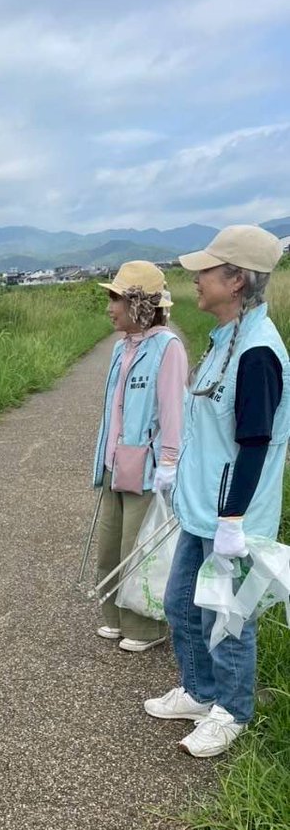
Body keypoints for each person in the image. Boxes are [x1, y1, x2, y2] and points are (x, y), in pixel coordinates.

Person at [144, 225, 289, 757]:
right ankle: (200, 692)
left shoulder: (257, 353)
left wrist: (232, 521)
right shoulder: (225, 338)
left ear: (236, 280)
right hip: (202, 506)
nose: (195, 279)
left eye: (206, 270)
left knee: (226, 618)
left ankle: (232, 711)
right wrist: (175, 472)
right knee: (181, 605)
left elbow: (254, 444)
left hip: (232, 516)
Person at [92, 261, 188, 651]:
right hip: (115, 464)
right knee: (110, 546)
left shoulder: (168, 347)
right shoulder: (121, 347)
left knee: (139, 550)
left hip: (147, 469)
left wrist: (169, 463)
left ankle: (146, 629)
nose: (109, 308)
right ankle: (115, 617)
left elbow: (173, 411)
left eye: (115, 299)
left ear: (138, 305)